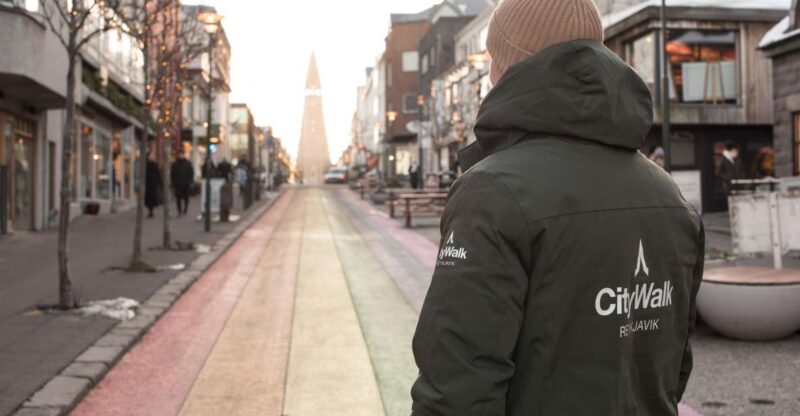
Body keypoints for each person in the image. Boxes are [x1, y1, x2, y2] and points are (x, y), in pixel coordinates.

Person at [410, 0, 705, 415]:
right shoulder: (670, 196)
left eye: (494, 58)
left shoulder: (493, 192)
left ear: (510, 65)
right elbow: (670, 365)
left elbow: (458, 385)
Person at [171, 152, 194, 216]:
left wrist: (190, 181)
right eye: (180, 155)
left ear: (184, 155)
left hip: (186, 183)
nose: (181, 156)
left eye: (182, 155)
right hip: (178, 184)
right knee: (178, 197)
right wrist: (173, 182)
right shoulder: (175, 164)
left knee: (186, 197)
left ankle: (185, 209)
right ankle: (179, 210)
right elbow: (173, 174)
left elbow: (191, 173)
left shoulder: (188, 163)